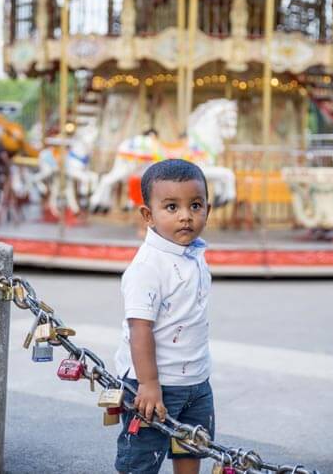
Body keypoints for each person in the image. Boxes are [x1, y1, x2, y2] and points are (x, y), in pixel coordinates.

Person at [114, 159, 215, 474]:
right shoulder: (148, 267)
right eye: (171, 207)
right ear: (148, 215)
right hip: (154, 386)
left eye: (195, 205)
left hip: (197, 381)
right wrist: (149, 383)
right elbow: (140, 328)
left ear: (207, 210)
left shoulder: (194, 254)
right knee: (141, 459)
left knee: (191, 447)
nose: (186, 216)